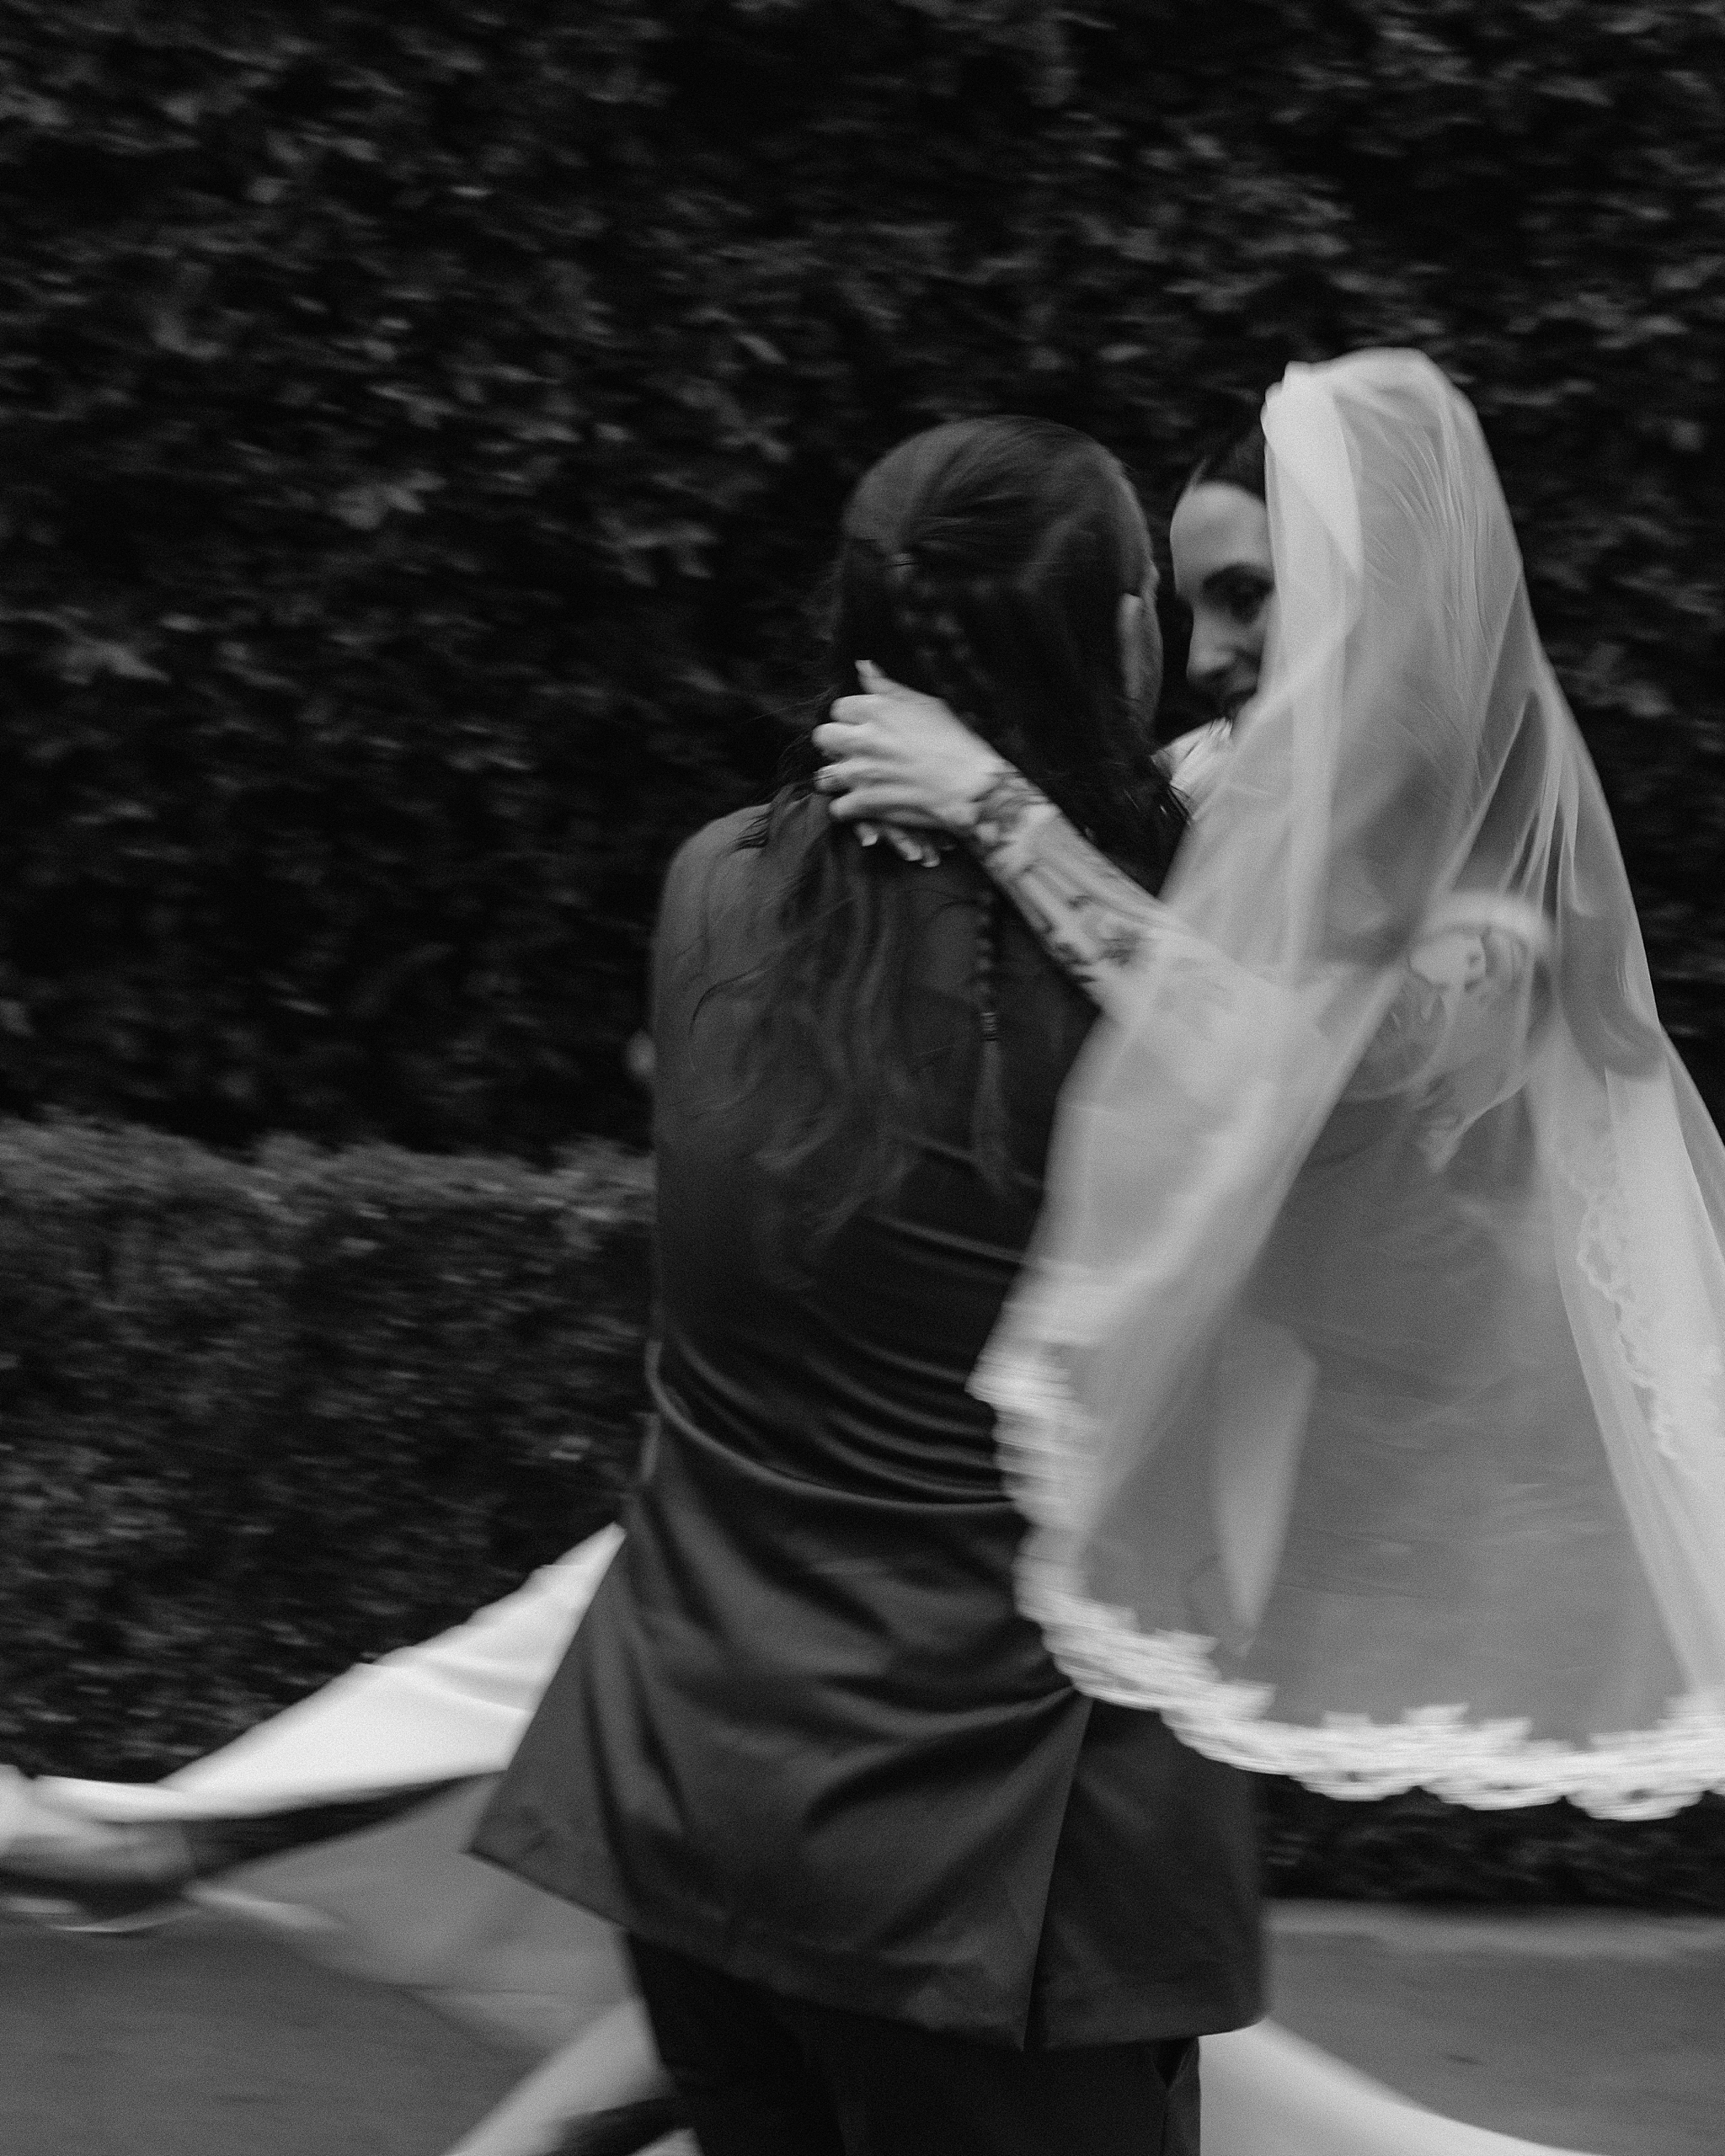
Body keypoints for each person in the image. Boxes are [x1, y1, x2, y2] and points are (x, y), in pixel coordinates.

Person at [466, 413, 1261, 2156]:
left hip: (692, 1772)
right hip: (985, 1844)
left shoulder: (711, 888)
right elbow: (1305, 1096)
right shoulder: (1134, 1004)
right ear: (1113, 631)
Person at [814, 348, 1725, 1813]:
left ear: (1378, 588)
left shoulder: (1487, 884)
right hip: (1262, 1452)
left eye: (1247, 596)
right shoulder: (1223, 779)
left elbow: (1261, 1058)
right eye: (1184, 607)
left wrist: (993, 805)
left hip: (1426, 1489)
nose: (1206, 651)